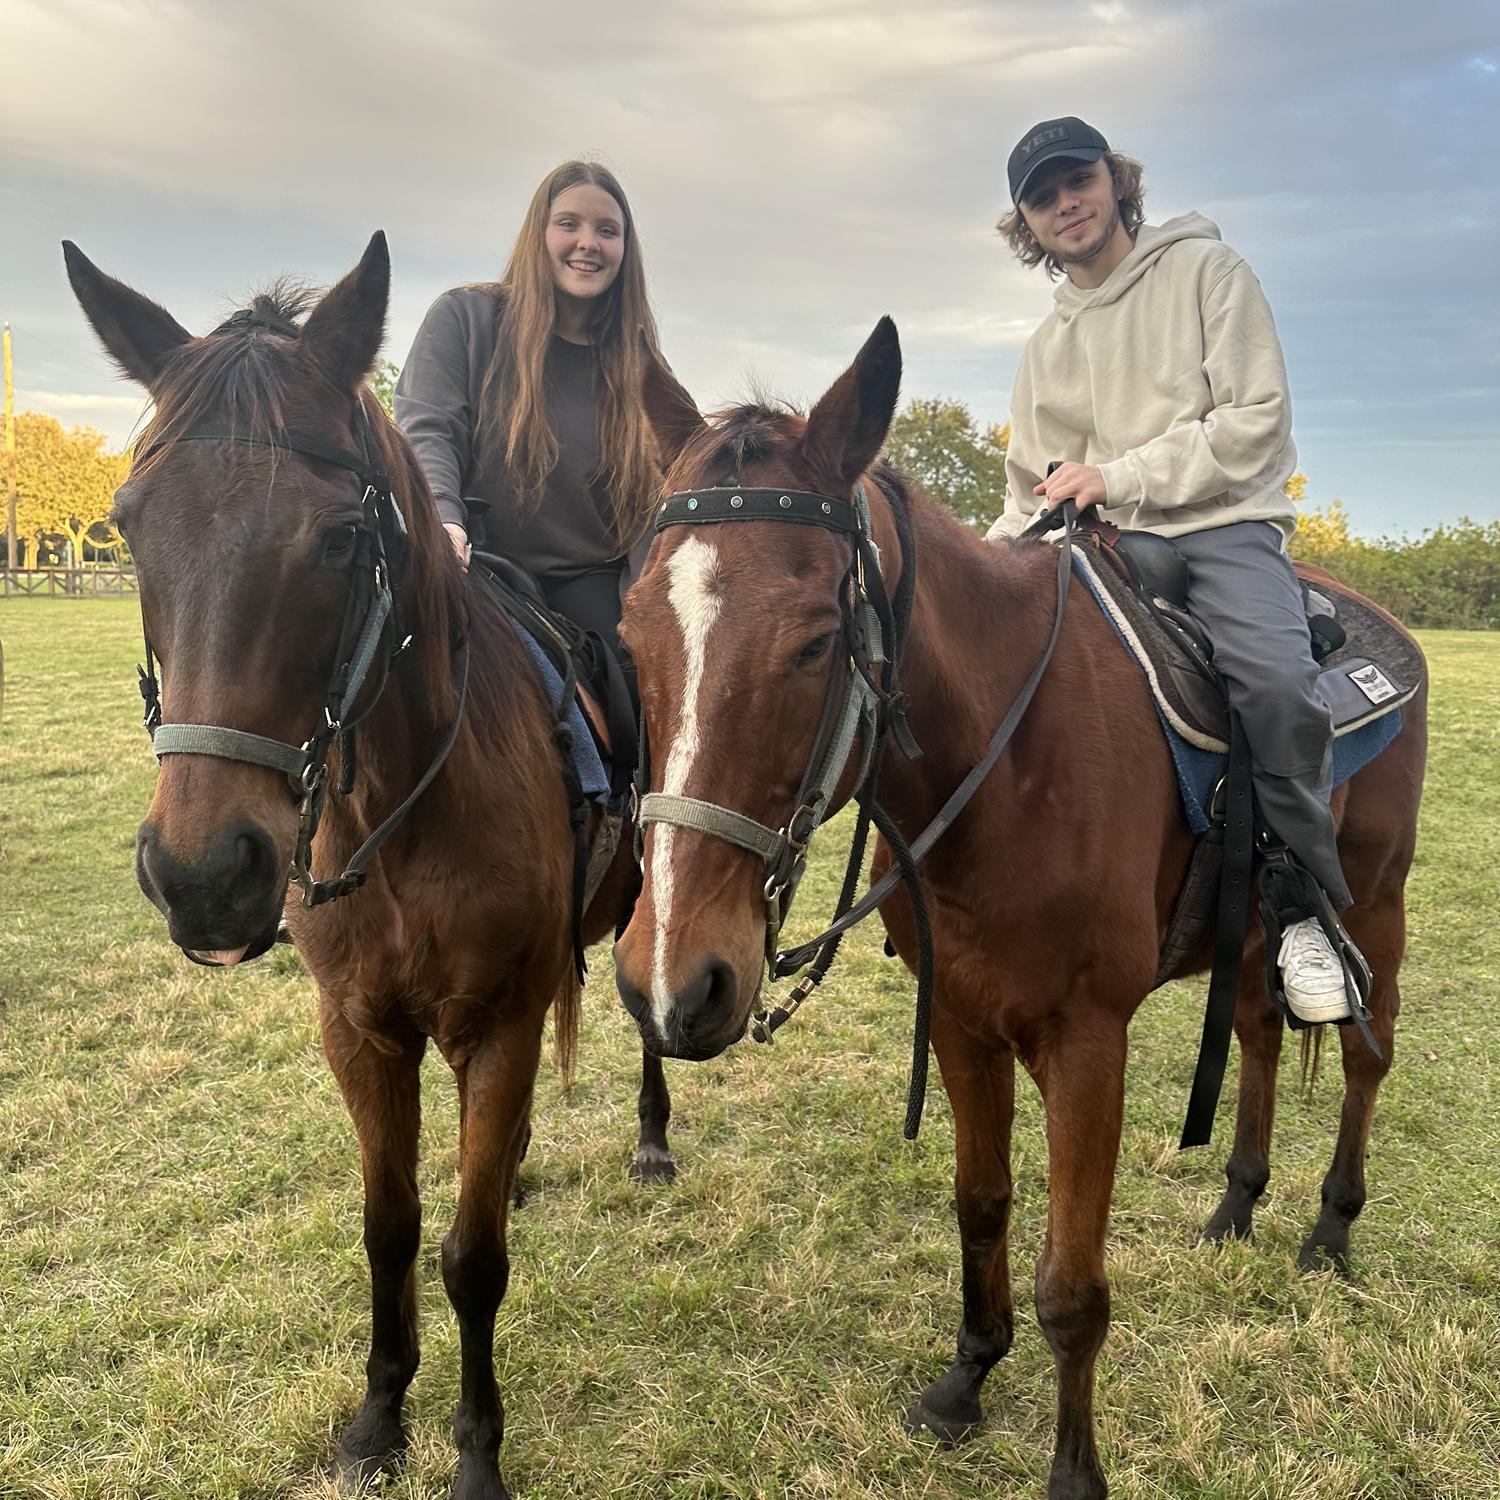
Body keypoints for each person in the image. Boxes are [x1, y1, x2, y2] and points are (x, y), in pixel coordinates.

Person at [985, 117, 1362, 1025]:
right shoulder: (1045, 346)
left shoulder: (1208, 274)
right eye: (1042, 197)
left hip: (1218, 526)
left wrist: (1118, 476)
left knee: (1274, 686)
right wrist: (984, 567)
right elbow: (1028, 486)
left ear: (1116, 181)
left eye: (1077, 181)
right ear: (1026, 225)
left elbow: (1255, 421)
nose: (1065, 204)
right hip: (1096, 544)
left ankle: (1305, 910)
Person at [395, 160, 664, 655]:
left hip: (589, 588)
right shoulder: (464, 318)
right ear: (539, 233)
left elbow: (653, 503)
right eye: (569, 224)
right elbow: (429, 430)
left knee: (636, 715)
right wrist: (442, 522)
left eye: (608, 231)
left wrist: (644, 613)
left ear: (625, 251)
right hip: (473, 568)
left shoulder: (641, 365)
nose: (588, 243)